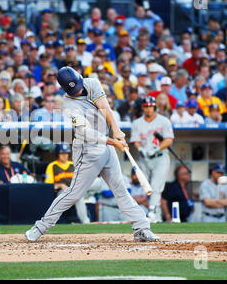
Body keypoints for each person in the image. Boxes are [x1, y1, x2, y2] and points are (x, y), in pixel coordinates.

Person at [25, 67, 158, 242]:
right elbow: (88, 134)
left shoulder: (92, 83)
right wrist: (114, 142)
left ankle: (141, 228)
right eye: (74, 89)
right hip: (87, 152)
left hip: (107, 148)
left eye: (78, 86)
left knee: (121, 190)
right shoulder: (70, 106)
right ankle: (40, 227)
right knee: (73, 194)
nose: (78, 90)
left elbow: (105, 107)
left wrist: (116, 130)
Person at [130, 96, 174, 222]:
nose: (148, 109)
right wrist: (140, 150)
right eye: (146, 106)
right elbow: (136, 141)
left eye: (150, 106)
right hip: (144, 158)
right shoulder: (137, 123)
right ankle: (156, 216)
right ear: (143, 107)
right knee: (147, 187)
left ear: (154, 107)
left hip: (160, 157)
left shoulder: (164, 121)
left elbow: (169, 140)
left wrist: (156, 149)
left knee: (156, 185)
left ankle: (152, 211)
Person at [44, 143, 90, 224]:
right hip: (61, 192)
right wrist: (60, 185)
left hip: (75, 190)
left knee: (83, 193)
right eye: (62, 153)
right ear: (57, 154)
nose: (65, 155)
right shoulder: (52, 166)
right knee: (69, 197)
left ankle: (86, 223)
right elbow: (48, 185)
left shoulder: (73, 164)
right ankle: (52, 222)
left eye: (66, 153)